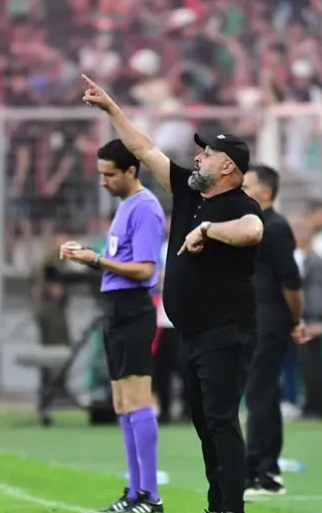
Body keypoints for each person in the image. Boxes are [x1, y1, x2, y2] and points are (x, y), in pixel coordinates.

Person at [82, 74, 263, 513]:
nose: (199, 157)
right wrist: (111, 109)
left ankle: (230, 509)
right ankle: (217, 504)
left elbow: (252, 231)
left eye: (208, 153)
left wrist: (208, 229)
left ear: (228, 167)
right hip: (193, 335)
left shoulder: (240, 205)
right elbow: (144, 149)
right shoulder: (187, 190)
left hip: (226, 332)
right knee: (205, 423)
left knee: (220, 422)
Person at [60, 139, 166, 513]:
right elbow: (120, 259)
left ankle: (151, 497)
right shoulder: (125, 208)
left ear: (131, 171)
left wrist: (96, 261)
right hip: (116, 307)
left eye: (109, 174)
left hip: (133, 308)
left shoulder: (146, 208)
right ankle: (135, 492)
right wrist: (86, 255)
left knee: (137, 400)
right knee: (122, 403)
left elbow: (145, 269)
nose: (103, 181)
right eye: (101, 174)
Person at [241, 165, 305, 498]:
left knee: (258, 394)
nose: (241, 191)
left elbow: (290, 281)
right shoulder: (249, 226)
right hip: (252, 320)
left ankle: (257, 471)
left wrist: (296, 319)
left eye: (247, 186)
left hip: (270, 321)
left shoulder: (276, 228)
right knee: (264, 394)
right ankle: (266, 470)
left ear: (265, 192)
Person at [292, 217, 322, 420]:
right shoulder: (310, 260)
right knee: (309, 363)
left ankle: (316, 406)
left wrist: (315, 320)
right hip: (309, 316)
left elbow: (317, 294)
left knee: (312, 363)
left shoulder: (314, 262)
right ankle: (313, 404)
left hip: (311, 318)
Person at [152, 216, 189, 424]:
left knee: (184, 366)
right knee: (161, 367)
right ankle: (164, 409)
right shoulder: (159, 248)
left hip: (181, 317)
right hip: (161, 317)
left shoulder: (188, 244)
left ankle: (188, 408)